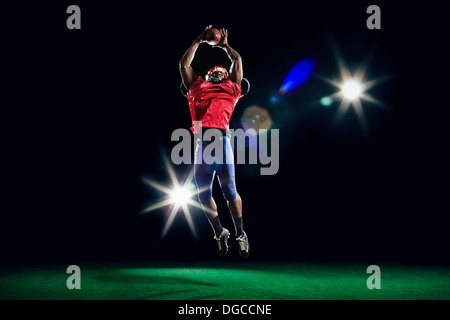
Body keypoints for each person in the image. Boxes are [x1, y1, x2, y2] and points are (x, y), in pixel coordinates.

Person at [179, 26, 249, 258]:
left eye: (222, 70)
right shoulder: (197, 87)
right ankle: (220, 233)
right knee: (203, 196)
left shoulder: (232, 89)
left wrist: (225, 46)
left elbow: (237, 58)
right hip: (202, 145)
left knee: (230, 192)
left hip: (222, 141)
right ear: (208, 75)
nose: (219, 72)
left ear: (227, 77)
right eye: (214, 70)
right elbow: (184, 64)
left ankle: (240, 233)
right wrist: (199, 39)